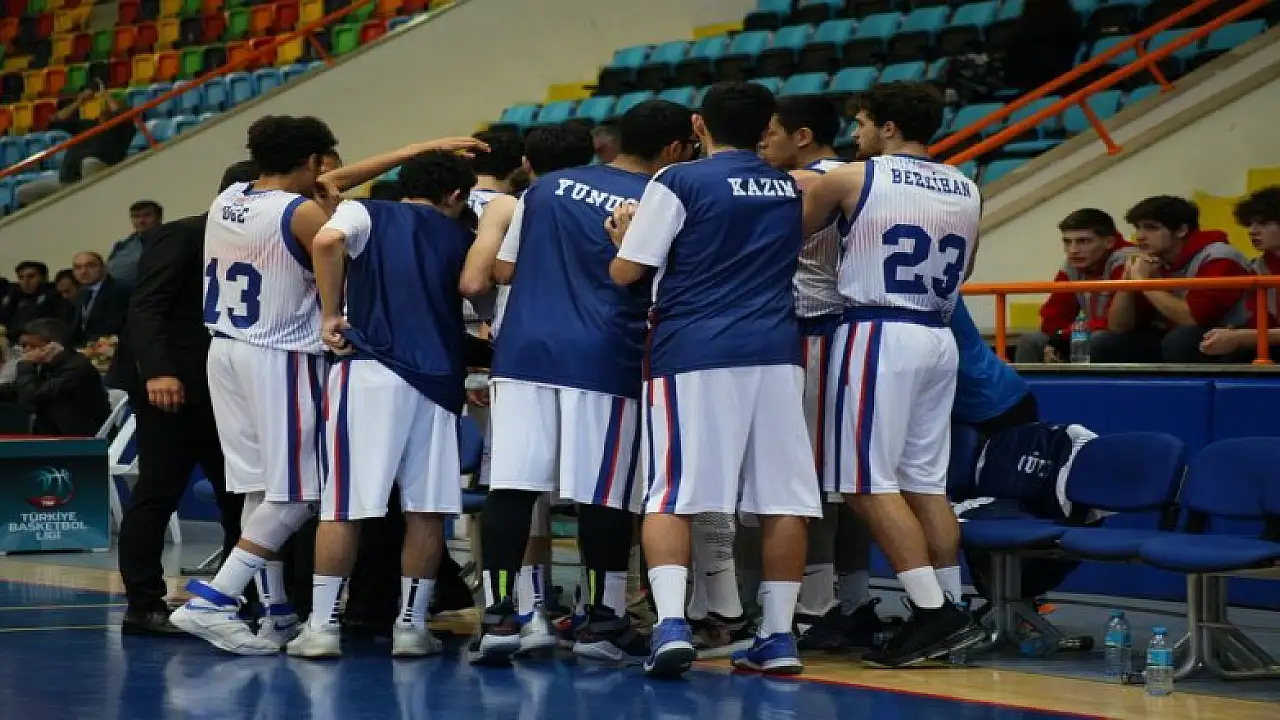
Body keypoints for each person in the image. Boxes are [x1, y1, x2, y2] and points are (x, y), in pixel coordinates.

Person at [470, 100, 696, 666]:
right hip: (603, 353)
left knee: (512, 488)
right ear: (674, 148)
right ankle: (601, 621)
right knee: (604, 494)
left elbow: (504, 269)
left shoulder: (545, 188)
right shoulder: (662, 197)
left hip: (524, 350)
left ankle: (498, 619)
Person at [609, 81, 822, 678]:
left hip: (695, 348)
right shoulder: (788, 185)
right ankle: (778, 636)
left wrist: (621, 238)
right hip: (776, 351)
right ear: (766, 128)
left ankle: (672, 625)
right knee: (783, 498)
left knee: (671, 493)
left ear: (699, 125)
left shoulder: (679, 180)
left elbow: (628, 271)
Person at [800, 81, 985, 668]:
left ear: (886, 127)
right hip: (939, 334)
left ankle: (933, 614)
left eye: (861, 123)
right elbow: (967, 268)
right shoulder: (967, 185)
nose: (855, 134)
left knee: (864, 483)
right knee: (925, 483)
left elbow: (783, 240)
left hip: (878, 329)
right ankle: (953, 607)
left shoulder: (852, 177)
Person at [287, 149, 482, 659]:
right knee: (426, 511)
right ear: (455, 195)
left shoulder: (368, 210)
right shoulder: (464, 236)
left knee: (344, 506)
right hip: (439, 378)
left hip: (370, 370)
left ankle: (322, 627)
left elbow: (326, 241)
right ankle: (411, 627)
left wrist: (330, 314)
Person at [167, 115, 343, 655]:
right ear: (312, 161)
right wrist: (331, 314)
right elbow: (331, 243)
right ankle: (215, 599)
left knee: (259, 490)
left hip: (224, 351)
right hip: (278, 353)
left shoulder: (228, 198)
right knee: (298, 494)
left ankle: (276, 613)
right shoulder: (301, 212)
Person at [112, 161, 260, 636]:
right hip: (171, 387)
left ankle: (239, 596)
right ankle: (143, 603)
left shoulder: (257, 241)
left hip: (225, 388)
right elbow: (146, 308)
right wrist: (159, 370)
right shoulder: (182, 234)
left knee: (239, 496)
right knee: (158, 492)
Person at [757, 95, 883, 652]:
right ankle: (852, 599)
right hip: (855, 333)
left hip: (814, 330)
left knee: (805, 478)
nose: (762, 143)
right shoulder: (865, 178)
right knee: (847, 479)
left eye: (770, 133)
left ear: (802, 136)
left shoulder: (804, 184)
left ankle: (814, 607)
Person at [1101, 195, 1250, 363]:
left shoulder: (1219, 257)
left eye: (1151, 228)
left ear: (1181, 230)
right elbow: (1118, 327)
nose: (1139, 236)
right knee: (1105, 342)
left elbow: (1194, 320)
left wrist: (1144, 283)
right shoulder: (1151, 259)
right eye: (1138, 228)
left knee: (1181, 340)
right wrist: (1127, 279)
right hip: (1175, 335)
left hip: (1231, 338)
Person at [1014, 209, 1136, 363]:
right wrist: (1053, 341)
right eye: (1067, 242)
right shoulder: (1075, 263)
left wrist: (1062, 338)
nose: (1073, 250)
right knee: (1032, 340)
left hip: (1135, 336)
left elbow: (1118, 324)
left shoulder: (1128, 259)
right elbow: (1055, 314)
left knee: (1098, 339)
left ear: (1109, 242)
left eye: (1083, 241)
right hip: (1094, 333)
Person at [1202, 186, 1280, 360]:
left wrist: (1241, 337)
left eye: (1263, 223)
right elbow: (1258, 320)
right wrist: (1233, 333)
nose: (1252, 231)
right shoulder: (1258, 268)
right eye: (1250, 224)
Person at [11, 317, 109, 436]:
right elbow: (19, 390)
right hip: (54, 434)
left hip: (81, 438)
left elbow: (32, 396)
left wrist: (25, 364)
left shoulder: (76, 368)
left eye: (32, 346)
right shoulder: (48, 365)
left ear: (54, 346)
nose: (26, 351)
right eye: (24, 346)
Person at [0, 262, 74, 345]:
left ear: (44, 278)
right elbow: (4, 323)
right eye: (21, 278)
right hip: (16, 343)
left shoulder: (54, 297)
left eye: (31, 276)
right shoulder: (15, 296)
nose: (26, 282)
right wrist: (19, 337)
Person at [69, 251, 130, 346]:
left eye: (90, 266)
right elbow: (78, 328)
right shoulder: (82, 293)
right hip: (84, 347)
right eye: (78, 267)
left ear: (104, 268)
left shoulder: (118, 290)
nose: (84, 272)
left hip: (111, 347)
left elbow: (114, 328)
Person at [106, 201, 165, 291]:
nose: (141, 221)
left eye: (147, 215)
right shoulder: (123, 244)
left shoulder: (168, 240)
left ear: (159, 217)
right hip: (114, 294)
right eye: (136, 216)